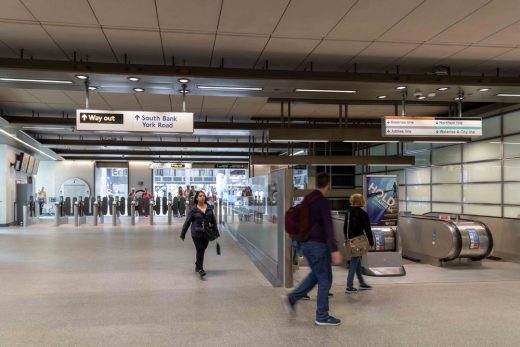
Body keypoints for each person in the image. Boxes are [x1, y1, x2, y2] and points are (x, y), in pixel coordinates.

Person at [282, 173, 343, 326]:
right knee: (324, 279)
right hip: (317, 245)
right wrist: (334, 250)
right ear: (328, 184)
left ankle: (293, 298)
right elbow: (328, 227)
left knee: (318, 275)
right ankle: (322, 315)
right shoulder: (322, 201)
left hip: (306, 244)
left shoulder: (308, 198)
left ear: (316, 183)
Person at [180, 191, 220, 278]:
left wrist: (216, 232)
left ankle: (197, 264)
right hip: (196, 233)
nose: (202, 197)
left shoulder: (209, 208)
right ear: (197, 198)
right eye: (200, 196)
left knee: (203, 249)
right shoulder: (193, 209)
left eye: (203, 196)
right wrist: (183, 233)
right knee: (200, 249)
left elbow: (213, 221)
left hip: (206, 233)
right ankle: (201, 269)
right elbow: (187, 222)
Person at [344, 193, 375, 293]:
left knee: (357, 261)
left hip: (351, 240)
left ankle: (362, 282)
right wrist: (371, 242)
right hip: (360, 241)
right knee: (354, 261)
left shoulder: (348, 212)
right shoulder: (363, 214)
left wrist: (347, 238)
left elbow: (345, 228)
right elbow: (368, 229)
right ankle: (349, 286)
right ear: (361, 201)